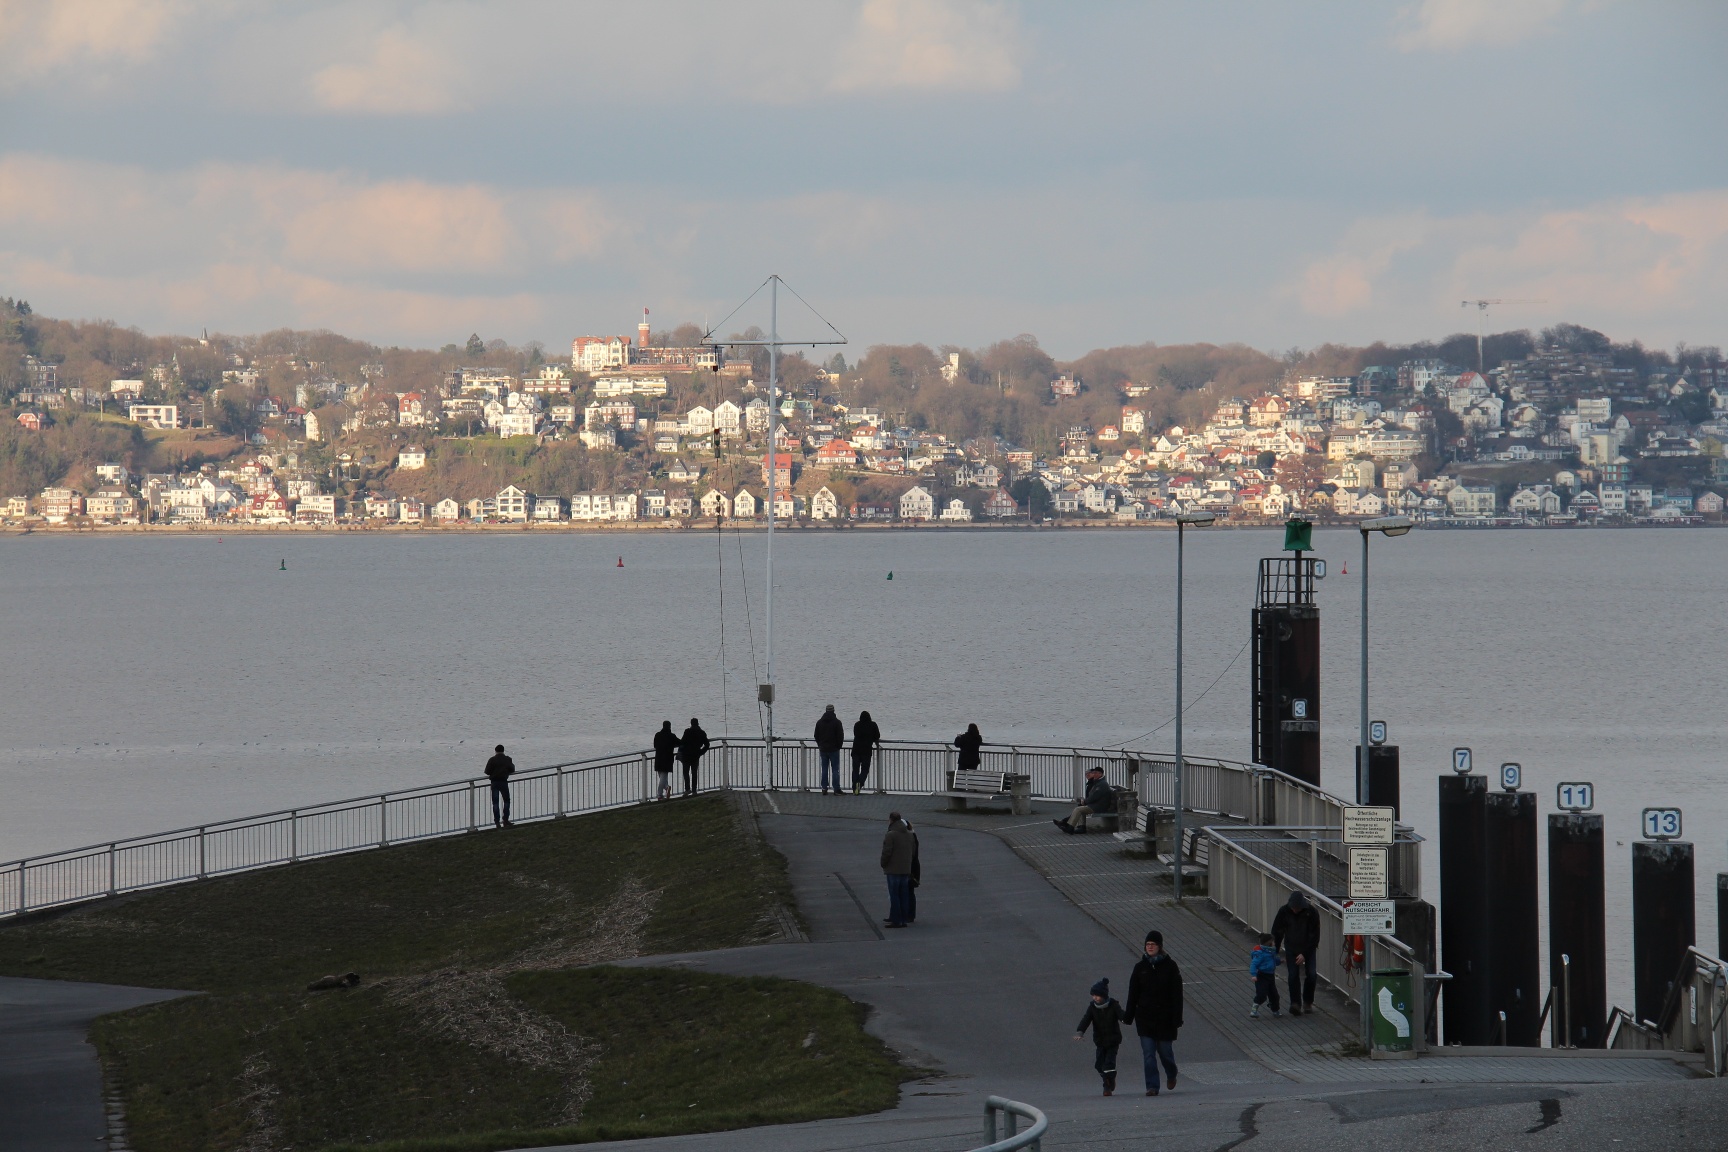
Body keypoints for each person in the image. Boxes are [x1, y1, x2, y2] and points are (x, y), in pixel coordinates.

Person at [1122, 929, 1183, 1096]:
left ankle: (1171, 1073)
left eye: (1153, 944)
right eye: (1147, 944)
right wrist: (1128, 1016)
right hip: (1145, 1018)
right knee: (1148, 1053)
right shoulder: (1140, 968)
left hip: (1165, 1018)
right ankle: (1152, 1086)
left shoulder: (1170, 967)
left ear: (1160, 946)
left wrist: (1177, 1017)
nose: (1149, 947)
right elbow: (1132, 993)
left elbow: (1177, 995)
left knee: (1165, 1053)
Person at [1272, 890, 1321, 1016]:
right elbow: (1277, 932)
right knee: (1293, 975)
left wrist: (1304, 953)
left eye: (1297, 908)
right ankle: (1295, 1003)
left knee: (1311, 974)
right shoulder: (1284, 911)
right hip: (1291, 947)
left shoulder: (1311, 913)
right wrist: (1274, 952)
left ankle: (1308, 1002)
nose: (1295, 910)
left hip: (1308, 948)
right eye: (1293, 908)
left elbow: (1315, 936)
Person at [1073, 977, 1124, 1096]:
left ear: (1104, 995)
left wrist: (1126, 1018)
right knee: (1099, 1064)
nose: (1095, 998)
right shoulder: (1092, 1007)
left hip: (1113, 1040)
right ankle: (1108, 1079)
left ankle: (1107, 1086)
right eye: (1093, 995)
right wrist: (1080, 1031)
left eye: (1097, 995)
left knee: (1109, 1064)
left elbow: (1122, 1015)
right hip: (1100, 1041)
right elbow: (1086, 1019)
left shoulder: (1113, 1005)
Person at [881, 811, 917, 928]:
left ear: (891, 820)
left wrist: (883, 864)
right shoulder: (909, 834)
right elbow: (913, 852)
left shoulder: (890, 834)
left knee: (894, 894)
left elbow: (887, 852)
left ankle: (896, 919)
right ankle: (903, 919)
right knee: (903, 894)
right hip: (906, 868)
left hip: (893, 869)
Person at [1055, 766, 1114, 834]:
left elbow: (1094, 797)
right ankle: (1081, 827)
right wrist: (1085, 801)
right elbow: (1093, 796)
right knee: (1080, 809)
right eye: (1094, 773)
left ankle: (1070, 827)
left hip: (1099, 806)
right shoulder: (1098, 782)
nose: (1094, 774)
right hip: (1096, 804)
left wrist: (1085, 801)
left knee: (1078, 809)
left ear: (1100, 774)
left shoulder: (1102, 784)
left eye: (1096, 773)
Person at [1249, 932, 1282, 1018]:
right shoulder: (1260, 954)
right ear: (1269, 942)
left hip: (1270, 976)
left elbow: (1273, 961)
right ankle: (1254, 1010)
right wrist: (1253, 974)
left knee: (1274, 995)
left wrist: (1279, 961)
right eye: (1273, 941)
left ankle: (1275, 1010)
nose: (1274, 943)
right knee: (1261, 994)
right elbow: (1254, 964)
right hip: (1261, 976)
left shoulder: (1271, 952)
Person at [815, 705, 846, 794]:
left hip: (823, 749)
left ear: (825, 711)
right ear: (833, 711)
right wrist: (838, 746)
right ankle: (836, 789)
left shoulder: (819, 722)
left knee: (824, 769)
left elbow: (816, 735)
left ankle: (824, 788)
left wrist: (820, 744)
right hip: (834, 749)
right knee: (835, 769)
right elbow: (840, 736)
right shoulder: (837, 722)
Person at [484, 744, 515, 828]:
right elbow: (512, 769)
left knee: (495, 802)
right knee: (507, 801)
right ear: (503, 750)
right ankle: (505, 820)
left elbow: (487, 771)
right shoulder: (507, 759)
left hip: (494, 783)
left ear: (495, 751)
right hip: (503, 782)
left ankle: (497, 822)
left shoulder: (492, 760)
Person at [678, 718, 710, 797]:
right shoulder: (702, 733)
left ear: (691, 724)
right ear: (698, 723)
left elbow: (682, 742)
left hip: (686, 755)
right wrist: (701, 752)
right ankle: (694, 790)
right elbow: (707, 745)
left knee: (686, 772)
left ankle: (687, 789)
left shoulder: (687, 732)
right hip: (696, 755)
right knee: (694, 772)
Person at [850, 710, 881, 794]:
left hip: (856, 750)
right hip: (866, 751)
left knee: (855, 770)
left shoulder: (857, 724)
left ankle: (854, 787)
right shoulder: (873, 725)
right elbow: (877, 736)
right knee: (865, 770)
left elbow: (855, 733)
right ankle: (859, 784)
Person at [651, 720, 680, 801]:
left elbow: (655, 745)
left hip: (658, 758)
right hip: (667, 759)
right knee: (663, 777)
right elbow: (679, 742)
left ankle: (663, 791)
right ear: (670, 726)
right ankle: (661, 792)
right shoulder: (672, 736)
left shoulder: (658, 735)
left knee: (661, 776)